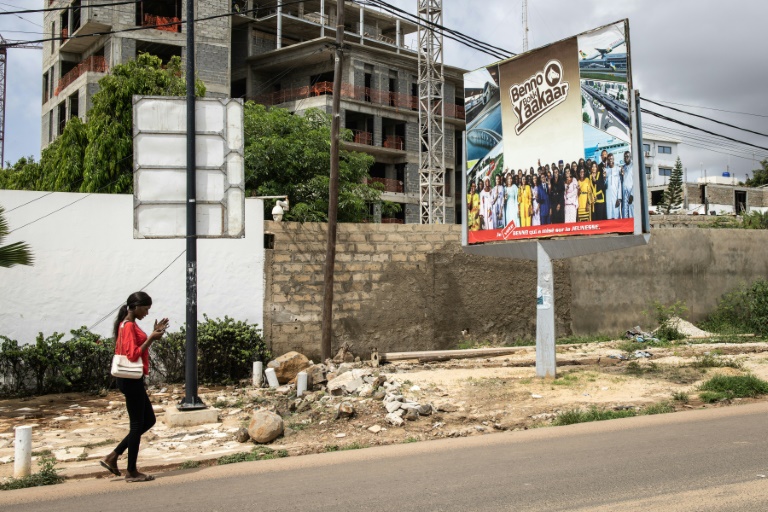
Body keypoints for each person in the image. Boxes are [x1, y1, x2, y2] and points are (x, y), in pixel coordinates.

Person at [101, 292, 169, 483]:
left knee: (148, 420)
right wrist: (152, 338)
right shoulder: (128, 325)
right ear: (136, 306)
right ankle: (131, 471)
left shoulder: (126, 323)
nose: (147, 313)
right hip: (131, 380)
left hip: (131, 379)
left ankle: (114, 456)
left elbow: (134, 347)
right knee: (139, 423)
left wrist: (154, 333)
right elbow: (133, 355)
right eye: (145, 309)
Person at [604, 153, 622, 219]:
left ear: (613, 159)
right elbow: (604, 184)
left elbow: (619, 184)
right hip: (608, 196)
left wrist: (619, 198)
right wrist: (604, 178)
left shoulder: (618, 169)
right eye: (609, 159)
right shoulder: (606, 170)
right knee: (609, 214)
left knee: (616, 214)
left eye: (611, 159)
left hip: (616, 196)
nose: (610, 160)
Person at [621, 151, 634, 218]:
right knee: (624, 210)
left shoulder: (633, 167)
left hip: (630, 191)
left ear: (630, 157)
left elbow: (636, 182)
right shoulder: (623, 167)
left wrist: (632, 194)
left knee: (631, 210)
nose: (626, 158)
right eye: (625, 157)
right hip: (624, 191)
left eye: (627, 156)